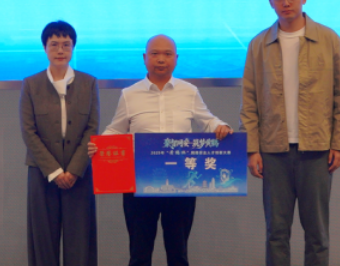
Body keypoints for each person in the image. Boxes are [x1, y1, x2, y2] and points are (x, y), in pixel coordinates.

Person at [239, 0, 340, 266]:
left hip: (317, 148)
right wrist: (251, 149)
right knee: (276, 232)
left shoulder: (328, 39)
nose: (286, 3)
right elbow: (249, 100)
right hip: (273, 150)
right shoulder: (258, 44)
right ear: (271, 2)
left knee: (317, 233)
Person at [88, 34, 232, 266]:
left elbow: (207, 120)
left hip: (181, 183)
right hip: (140, 183)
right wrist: (99, 145)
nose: (161, 59)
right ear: (145, 58)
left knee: (178, 254)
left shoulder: (189, 91)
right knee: (139, 254)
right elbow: (116, 129)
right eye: (155, 54)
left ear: (176, 58)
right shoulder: (129, 94)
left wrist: (220, 126)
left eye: (167, 54)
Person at [20, 21, 99, 266]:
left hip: (79, 173)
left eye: (66, 44)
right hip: (42, 173)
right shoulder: (31, 84)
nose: (60, 50)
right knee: (43, 240)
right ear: (45, 48)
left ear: (73, 48)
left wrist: (74, 170)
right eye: (54, 44)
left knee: (80, 241)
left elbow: (92, 128)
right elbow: (28, 132)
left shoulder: (88, 83)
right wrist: (54, 172)